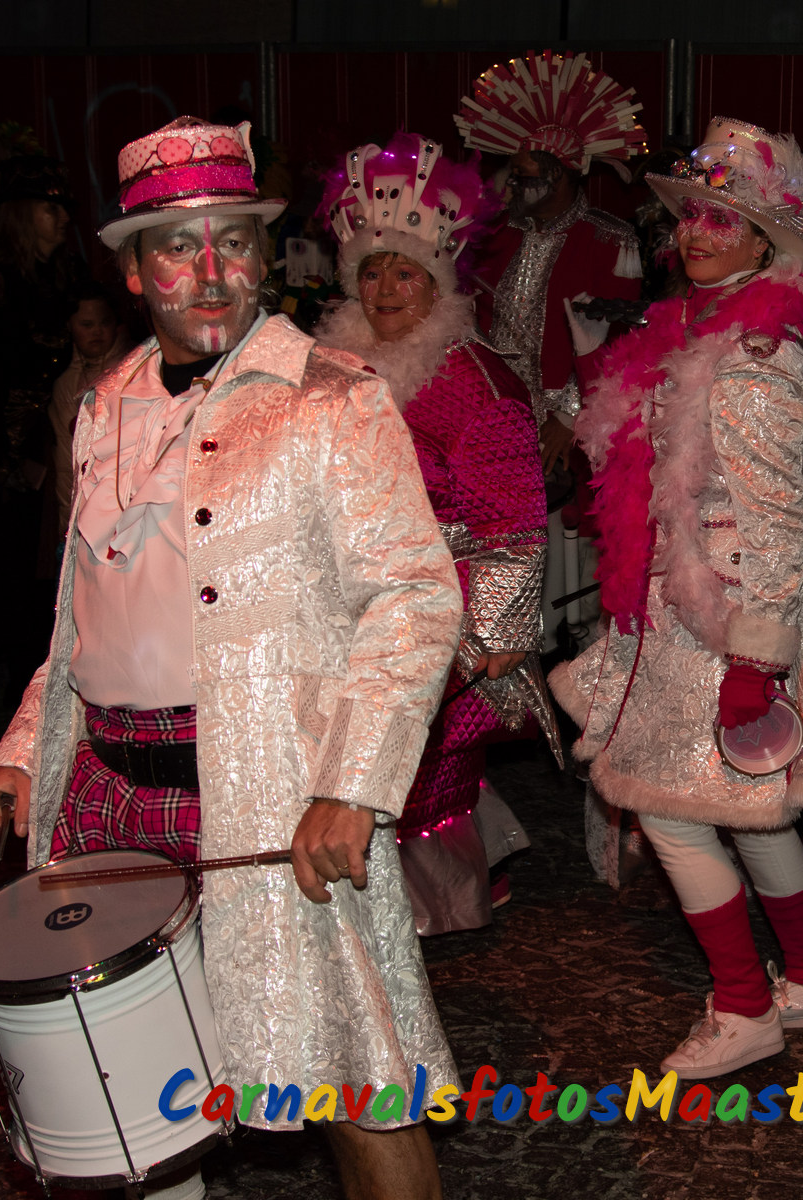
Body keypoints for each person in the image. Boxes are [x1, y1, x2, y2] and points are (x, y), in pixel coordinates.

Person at [0, 116, 462, 1200]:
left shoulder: (332, 398)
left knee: (348, 1073)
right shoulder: (103, 403)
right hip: (107, 792)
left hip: (271, 795)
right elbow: (83, 609)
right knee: (135, 1091)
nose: (209, 272)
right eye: (177, 247)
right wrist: (26, 745)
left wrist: (352, 786)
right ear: (132, 268)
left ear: (262, 256)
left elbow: (417, 598)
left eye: (232, 242)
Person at [552, 117, 803, 1080]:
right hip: (688, 607)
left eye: (723, 220)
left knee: (669, 808)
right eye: (692, 217)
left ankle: (744, 1005)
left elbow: (777, 520)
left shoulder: (757, 356)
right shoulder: (696, 327)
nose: (697, 234)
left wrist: (755, 658)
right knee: (753, 805)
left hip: (724, 613)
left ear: (767, 241)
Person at [314, 132, 555, 934]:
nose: (384, 289)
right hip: (344, 604)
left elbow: (512, 522)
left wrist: (493, 632)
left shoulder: (476, 382)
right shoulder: (331, 369)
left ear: (439, 279)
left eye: (405, 273)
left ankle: (423, 914)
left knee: (421, 768)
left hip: (436, 610)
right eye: (371, 271)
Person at [455, 50, 645, 648]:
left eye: (525, 174)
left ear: (561, 174)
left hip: (573, 427)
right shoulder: (493, 239)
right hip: (498, 421)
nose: (512, 185)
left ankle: (571, 654)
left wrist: (567, 415)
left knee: (573, 576)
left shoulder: (610, 240)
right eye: (513, 173)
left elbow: (621, 345)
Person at [0, 155, 84, 719]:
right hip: (1, 452)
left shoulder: (63, 277)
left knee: (43, 580)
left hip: (53, 442)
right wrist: (5, 455)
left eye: (63, 208)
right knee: (2, 578)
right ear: (20, 214)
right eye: (49, 208)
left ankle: (32, 698)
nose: (62, 218)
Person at [44, 282, 130, 576]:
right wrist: (65, 520)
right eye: (87, 324)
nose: (97, 332)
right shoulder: (64, 385)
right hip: (76, 511)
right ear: (70, 326)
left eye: (104, 323)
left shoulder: (133, 376)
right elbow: (63, 459)